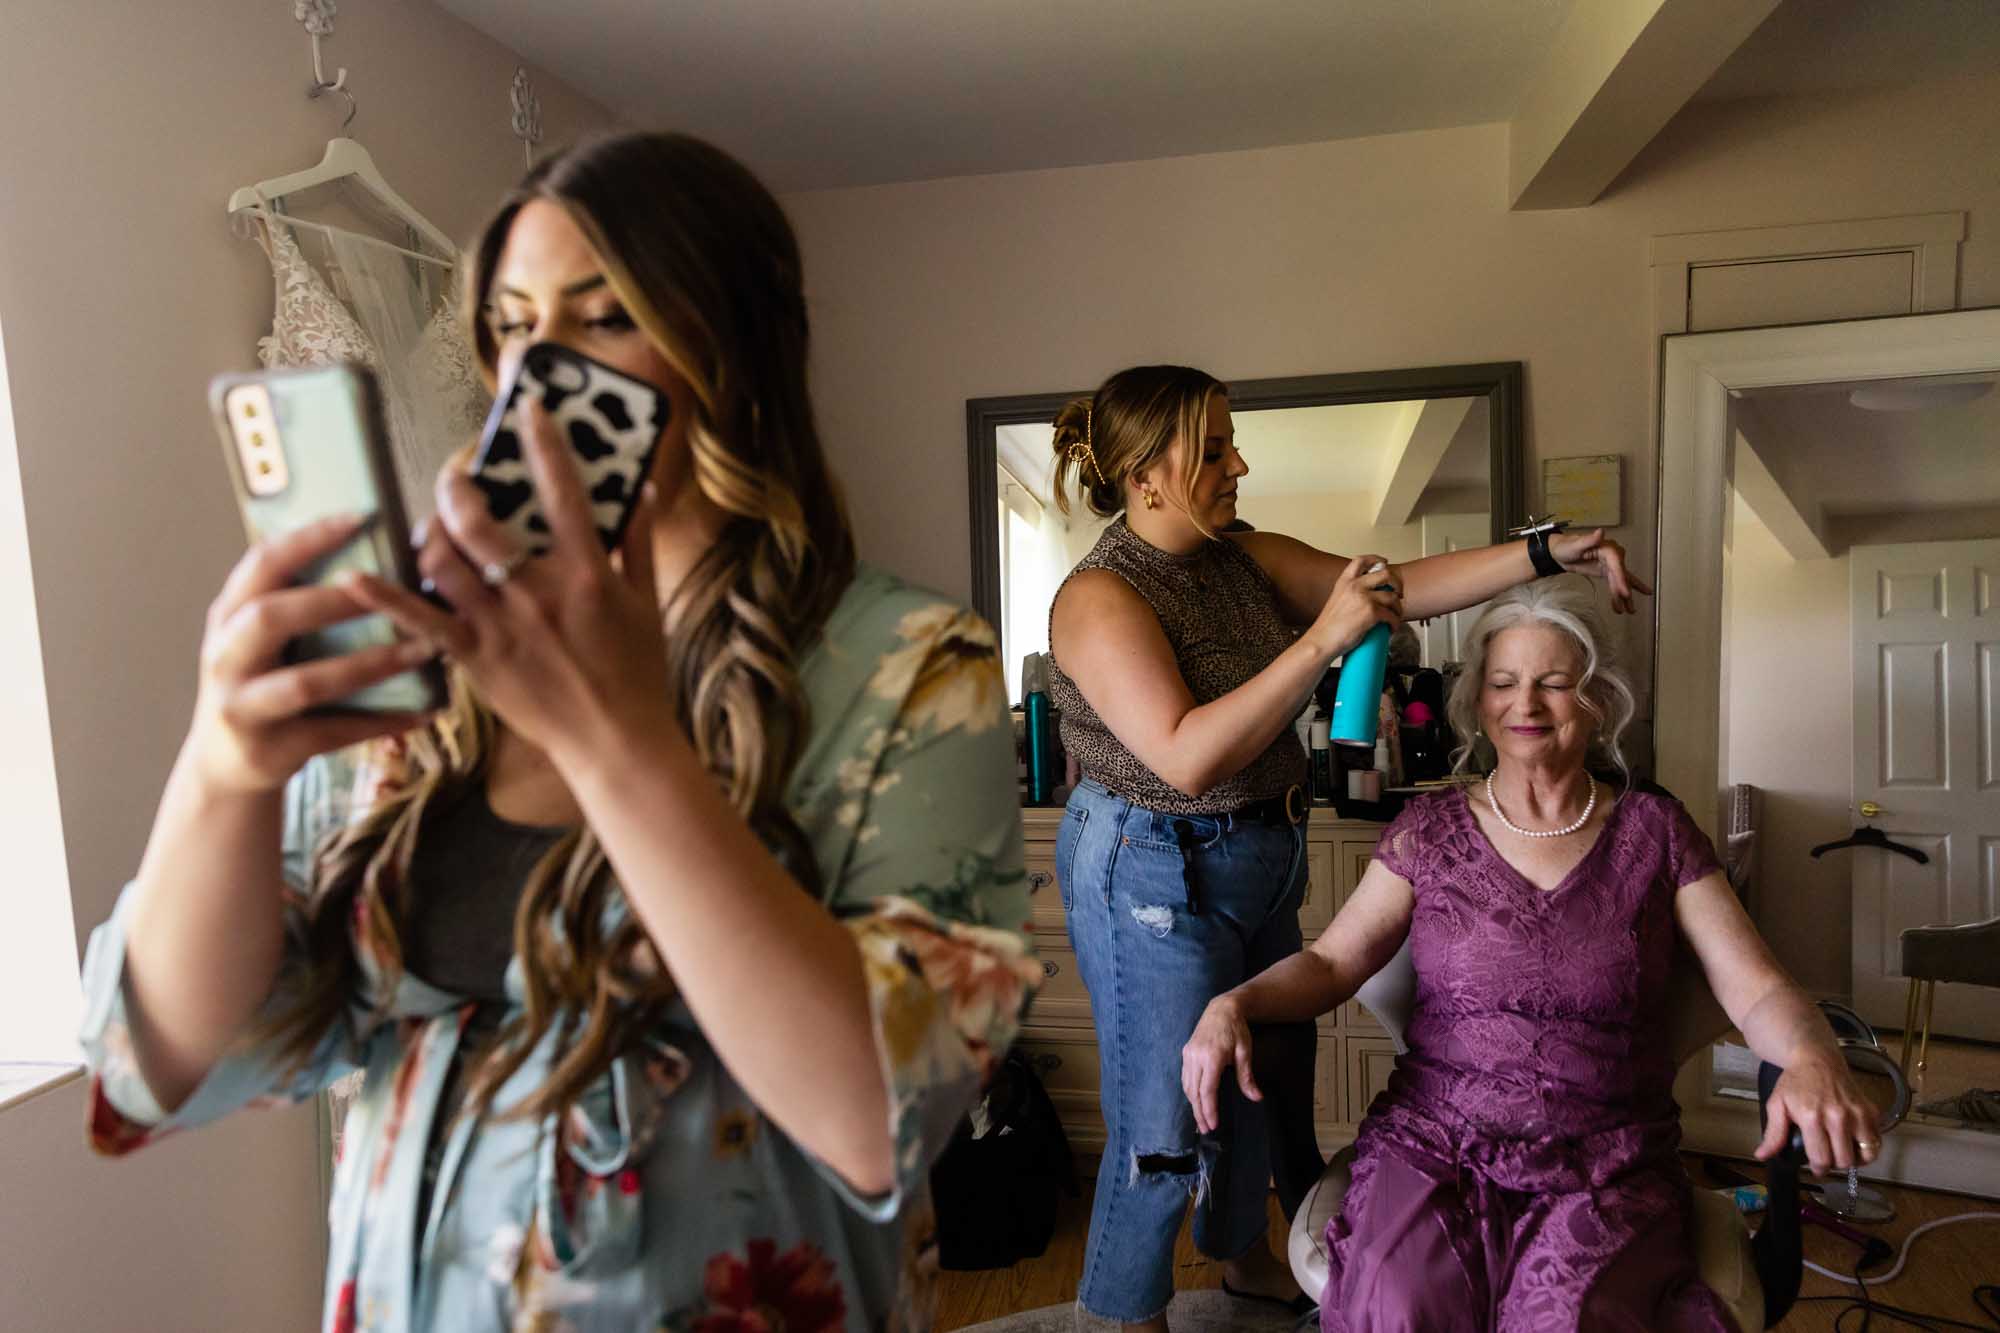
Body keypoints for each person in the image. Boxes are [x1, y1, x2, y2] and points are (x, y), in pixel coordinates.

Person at [79, 131, 1037, 1333]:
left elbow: (880, 1118)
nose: (540, 372)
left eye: (605, 318)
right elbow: (157, 1066)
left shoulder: (908, 668)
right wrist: (224, 771)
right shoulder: (434, 661)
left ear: (734, 351)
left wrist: (616, 744)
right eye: (513, 327)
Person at [1043, 364, 1648, 1331]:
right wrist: (1323, 638)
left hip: (1257, 852)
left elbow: (1393, 586)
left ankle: (1242, 1258)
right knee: (1164, 1113)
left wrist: (1547, 552)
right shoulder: (1099, 597)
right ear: (1145, 474)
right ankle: (1124, 1313)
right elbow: (1186, 756)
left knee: (1258, 1072)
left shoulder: (1239, 557)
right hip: (1153, 864)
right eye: (1213, 450)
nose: (1239, 465)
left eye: (1232, 443)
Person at [1182, 577, 1882, 1331]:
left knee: (1571, 1317)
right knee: (1401, 1303)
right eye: (1505, 683)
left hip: (1604, 1160)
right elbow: (1330, 964)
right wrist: (1234, 1002)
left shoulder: (1657, 833)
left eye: (1554, 683)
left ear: (1598, 698)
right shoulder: (1429, 830)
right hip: (1436, 1146)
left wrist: (1810, 1053)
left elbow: (1757, 988)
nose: (1527, 704)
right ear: (1478, 701)